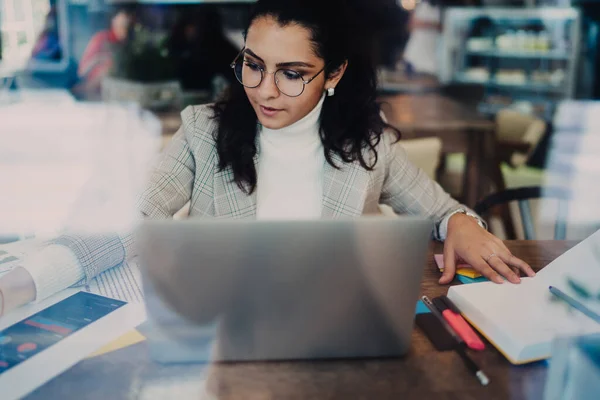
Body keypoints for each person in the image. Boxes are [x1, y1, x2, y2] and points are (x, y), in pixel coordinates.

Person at [0, 0, 534, 316]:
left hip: (333, 331)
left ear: (336, 73)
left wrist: (461, 221)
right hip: (220, 330)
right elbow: (133, 219)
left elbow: (442, 212)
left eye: (293, 73)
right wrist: (26, 280)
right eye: (253, 65)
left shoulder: (371, 145)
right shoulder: (202, 131)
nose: (265, 91)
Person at [73, 8, 132, 99]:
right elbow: (81, 72)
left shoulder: (130, 45)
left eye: (127, 27)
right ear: (113, 22)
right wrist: (98, 59)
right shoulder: (100, 39)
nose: (124, 31)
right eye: (122, 26)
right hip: (93, 92)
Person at [402, 0, 443, 76]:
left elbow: (442, 28)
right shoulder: (419, 6)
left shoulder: (440, 7)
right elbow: (409, 26)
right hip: (416, 50)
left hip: (431, 49)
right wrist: (430, 25)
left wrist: (424, 24)